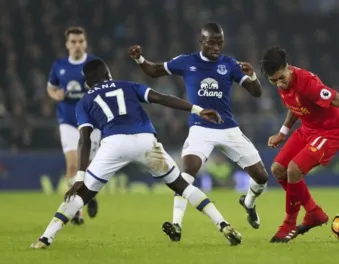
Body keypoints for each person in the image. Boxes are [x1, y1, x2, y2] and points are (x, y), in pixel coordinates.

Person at [30, 59, 242, 249]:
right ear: (108, 74)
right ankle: (223, 224)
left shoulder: (84, 102)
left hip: (114, 144)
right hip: (145, 140)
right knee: (182, 186)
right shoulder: (127, 85)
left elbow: (84, 139)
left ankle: (45, 239)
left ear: (87, 82)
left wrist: (80, 177)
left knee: (81, 195)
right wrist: (198, 110)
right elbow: (161, 98)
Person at [128, 22, 269, 242]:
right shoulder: (187, 61)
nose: (217, 48)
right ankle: (176, 224)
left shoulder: (229, 64)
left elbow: (256, 93)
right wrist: (139, 59)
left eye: (220, 43)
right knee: (186, 174)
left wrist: (251, 76)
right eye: (212, 43)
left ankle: (249, 203)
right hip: (200, 129)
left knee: (261, 177)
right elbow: (154, 71)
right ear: (201, 41)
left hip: (228, 128)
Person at [261, 46, 339, 243]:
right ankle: (314, 213)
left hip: (331, 132)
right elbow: (295, 106)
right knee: (278, 169)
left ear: (288, 68)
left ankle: (289, 224)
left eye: (281, 78)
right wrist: (282, 132)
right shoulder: (284, 83)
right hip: (308, 129)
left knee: (294, 169)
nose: (279, 84)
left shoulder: (307, 83)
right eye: (273, 80)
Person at [47, 26, 101, 224]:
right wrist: (56, 95)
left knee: (89, 167)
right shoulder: (59, 66)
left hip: (92, 122)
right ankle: (77, 212)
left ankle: (90, 194)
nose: (77, 45)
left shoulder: (95, 64)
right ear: (67, 44)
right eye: (73, 42)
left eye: (80, 41)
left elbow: (108, 85)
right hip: (68, 121)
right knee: (72, 164)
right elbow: (51, 88)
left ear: (85, 43)